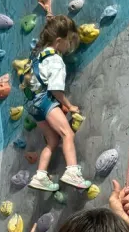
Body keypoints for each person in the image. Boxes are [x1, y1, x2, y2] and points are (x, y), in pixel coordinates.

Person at [22, 15, 91, 192]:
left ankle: (40, 176)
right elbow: (55, 90)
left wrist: (50, 14)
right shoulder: (56, 60)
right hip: (45, 101)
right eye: (69, 42)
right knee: (67, 133)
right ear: (59, 41)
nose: (69, 47)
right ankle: (72, 172)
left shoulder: (39, 55)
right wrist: (70, 105)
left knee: (52, 140)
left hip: (32, 105)